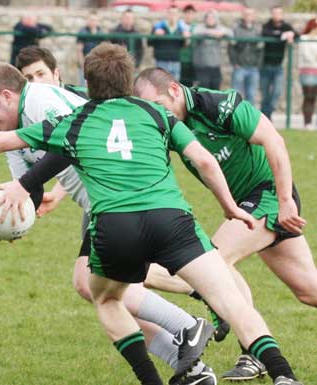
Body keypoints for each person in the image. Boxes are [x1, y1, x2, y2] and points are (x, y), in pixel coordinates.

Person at [0, 43, 304, 385]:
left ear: (85, 83)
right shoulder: (156, 113)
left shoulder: (75, 120)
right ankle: (282, 375)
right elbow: (206, 163)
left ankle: (167, 362)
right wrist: (230, 207)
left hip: (115, 224)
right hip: (170, 218)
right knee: (230, 299)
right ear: (129, 83)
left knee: (103, 295)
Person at [15, 46, 218, 384]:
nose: (35, 83)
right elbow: (74, 155)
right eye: (28, 78)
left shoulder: (76, 103)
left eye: (39, 74)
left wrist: (27, 185)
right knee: (96, 287)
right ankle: (191, 356)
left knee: (102, 289)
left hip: (116, 206)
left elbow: (74, 149)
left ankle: (187, 325)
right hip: (101, 206)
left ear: (57, 75)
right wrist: (35, 201)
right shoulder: (30, 113)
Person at [134, 66, 314, 384]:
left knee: (214, 260)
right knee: (308, 290)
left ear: (174, 90)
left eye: (159, 106)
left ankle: (255, 352)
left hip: (268, 194)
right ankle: (254, 351)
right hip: (245, 207)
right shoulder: (168, 124)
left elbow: (274, 140)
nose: (157, 114)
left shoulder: (219, 105)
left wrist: (286, 200)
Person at [260, 6, 298, 120]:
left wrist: (291, 35)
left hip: (278, 66)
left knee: (277, 92)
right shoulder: (266, 26)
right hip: (265, 65)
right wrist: (283, 35)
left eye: (279, 13)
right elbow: (266, 33)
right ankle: (265, 116)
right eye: (275, 13)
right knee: (265, 94)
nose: (277, 15)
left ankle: (267, 113)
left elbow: (297, 34)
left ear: (282, 15)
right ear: (272, 14)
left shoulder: (286, 26)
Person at [228, 7, 263, 106]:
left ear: (254, 16)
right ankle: (233, 117)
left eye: (251, 14)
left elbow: (260, 49)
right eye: (246, 14)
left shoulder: (257, 30)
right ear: (243, 15)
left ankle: (249, 119)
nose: (248, 16)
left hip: (253, 68)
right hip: (239, 67)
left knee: (251, 95)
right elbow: (231, 47)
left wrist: (257, 64)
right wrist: (235, 62)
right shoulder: (236, 29)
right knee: (234, 94)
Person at [192, 10, 232, 90]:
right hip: (202, 66)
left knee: (215, 91)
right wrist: (212, 33)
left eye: (212, 17)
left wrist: (222, 33)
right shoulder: (200, 27)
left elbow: (230, 33)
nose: (210, 19)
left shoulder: (220, 28)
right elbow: (195, 32)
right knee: (203, 91)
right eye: (208, 17)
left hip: (215, 66)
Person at [148, 6, 185, 81]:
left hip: (175, 62)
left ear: (178, 15)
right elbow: (149, 42)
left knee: (175, 86)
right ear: (167, 14)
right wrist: (155, 34)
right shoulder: (158, 26)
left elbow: (183, 45)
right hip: (161, 61)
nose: (172, 15)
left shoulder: (181, 28)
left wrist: (186, 38)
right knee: (160, 85)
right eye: (170, 13)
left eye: (175, 13)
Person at [297, 17, 317, 130]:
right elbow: (306, 55)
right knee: (309, 97)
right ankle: (307, 123)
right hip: (308, 71)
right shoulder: (304, 38)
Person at [76, 12, 103, 86]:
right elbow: (79, 50)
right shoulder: (82, 32)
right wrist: (82, 65)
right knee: (83, 86)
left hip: (97, 64)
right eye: (91, 20)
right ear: (87, 20)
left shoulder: (101, 33)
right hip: (85, 62)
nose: (93, 22)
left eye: (95, 20)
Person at [178, 5, 197, 87]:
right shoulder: (178, 26)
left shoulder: (196, 27)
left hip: (192, 60)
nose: (189, 15)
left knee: (189, 85)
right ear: (184, 14)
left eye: (191, 13)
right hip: (179, 59)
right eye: (187, 13)